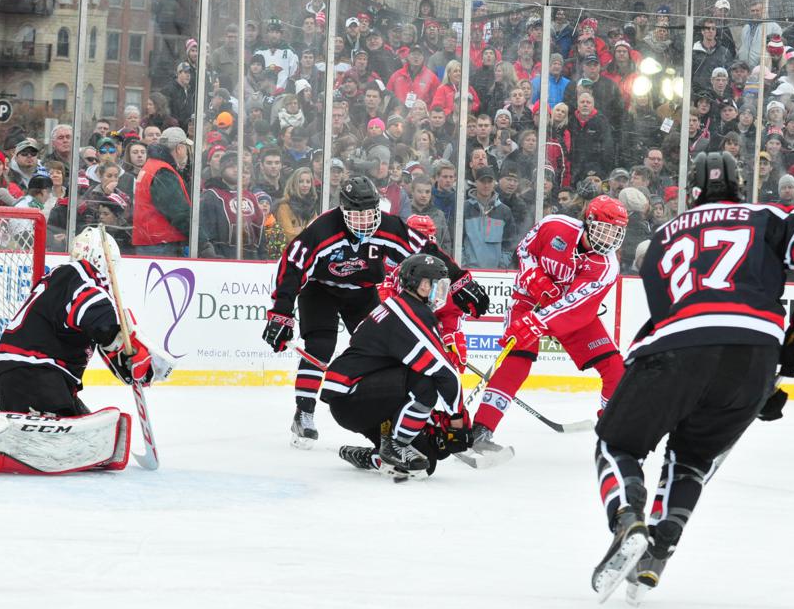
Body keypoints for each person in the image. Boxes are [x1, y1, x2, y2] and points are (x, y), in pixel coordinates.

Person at [589, 151, 794, 604]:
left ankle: (628, 519)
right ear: (739, 186)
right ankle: (660, 547)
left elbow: (664, 318)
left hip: (677, 346)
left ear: (693, 193)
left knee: (615, 445)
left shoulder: (663, 237)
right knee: (692, 459)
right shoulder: (766, 215)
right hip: (754, 355)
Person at [262, 176, 489, 449]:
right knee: (320, 346)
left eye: (370, 213)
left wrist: (460, 280)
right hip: (321, 289)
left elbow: (425, 250)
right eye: (358, 214)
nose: (365, 221)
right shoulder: (323, 229)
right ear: (343, 210)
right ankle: (304, 412)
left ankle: (388, 418)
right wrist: (281, 313)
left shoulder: (387, 225)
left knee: (382, 352)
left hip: (362, 291)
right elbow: (293, 265)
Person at [0, 228, 174, 475]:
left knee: (89, 440)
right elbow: (103, 326)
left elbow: (104, 337)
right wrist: (124, 345)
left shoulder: (64, 279)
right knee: (66, 443)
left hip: (29, 373)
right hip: (35, 372)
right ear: (101, 259)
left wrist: (129, 361)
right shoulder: (83, 278)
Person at [470, 196, 629, 450]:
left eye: (615, 232)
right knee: (517, 362)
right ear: (589, 221)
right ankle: (481, 429)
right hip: (528, 300)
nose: (609, 238)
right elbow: (525, 250)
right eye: (604, 229)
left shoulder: (607, 266)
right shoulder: (555, 225)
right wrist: (533, 275)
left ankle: (612, 432)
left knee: (615, 369)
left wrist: (537, 322)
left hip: (571, 315)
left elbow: (573, 306)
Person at [321, 253, 469, 479]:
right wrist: (456, 421)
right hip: (352, 397)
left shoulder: (402, 306)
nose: (442, 292)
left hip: (365, 395)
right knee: (426, 382)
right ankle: (396, 445)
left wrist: (435, 425)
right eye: (437, 285)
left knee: (425, 461)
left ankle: (371, 457)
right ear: (422, 284)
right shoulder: (409, 313)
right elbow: (444, 373)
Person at [132, 127, 197, 257]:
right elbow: (178, 212)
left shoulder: (153, 165)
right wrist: (200, 240)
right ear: (180, 148)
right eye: (186, 148)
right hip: (162, 244)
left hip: (152, 241)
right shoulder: (163, 172)